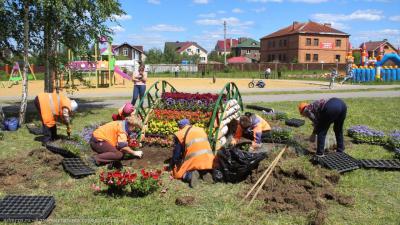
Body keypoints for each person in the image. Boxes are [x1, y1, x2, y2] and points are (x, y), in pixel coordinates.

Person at [170, 119, 215, 188]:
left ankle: (190, 175)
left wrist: (173, 164)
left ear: (181, 126)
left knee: (178, 173)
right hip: (209, 159)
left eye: (179, 126)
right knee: (202, 166)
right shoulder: (201, 129)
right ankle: (205, 173)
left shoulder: (180, 133)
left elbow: (177, 154)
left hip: (194, 159)